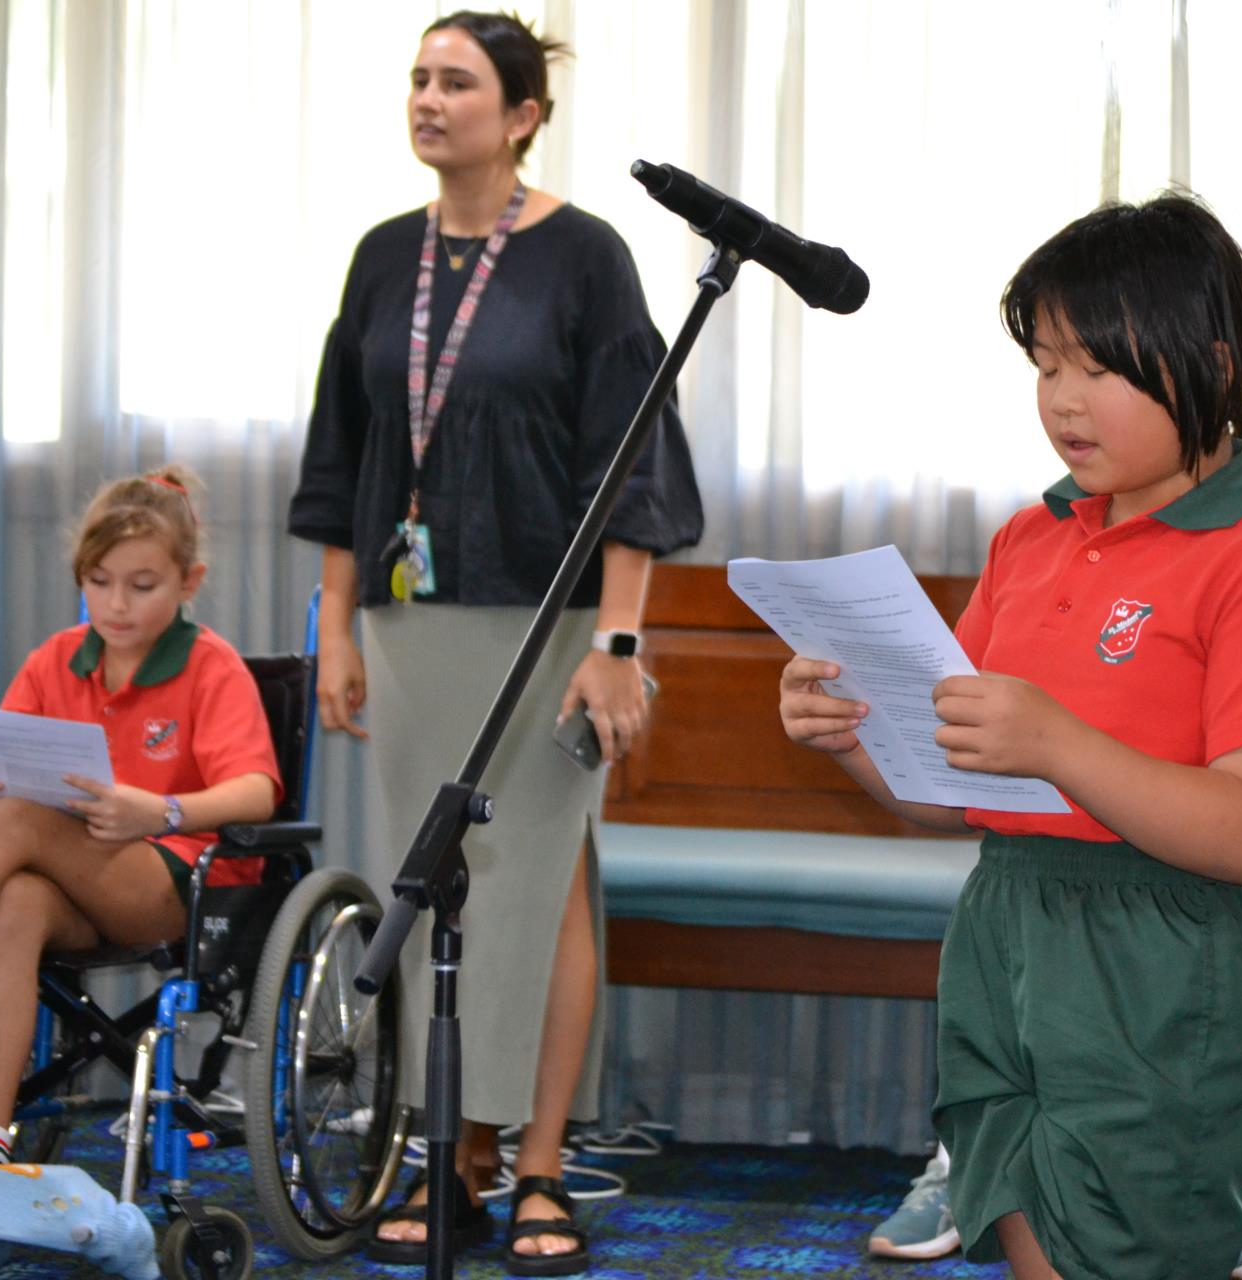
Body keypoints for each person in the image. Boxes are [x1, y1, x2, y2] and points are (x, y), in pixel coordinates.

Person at [780, 194, 1242, 1280]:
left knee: (1135, 1246)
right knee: (1035, 1235)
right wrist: (851, 733)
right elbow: (954, 782)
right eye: (1047, 366)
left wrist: (1059, 743)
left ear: (1210, 363)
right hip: (1010, 931)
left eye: (1099, 368)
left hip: (1168, 959)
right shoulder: (1029, 537)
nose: (1064, 403)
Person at [286, 10, 703, 1273]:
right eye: (417, 77)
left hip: (554, 623)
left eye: (456, 81)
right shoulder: (379, 258)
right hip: (414, 626)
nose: (428, 98)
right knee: (438, 882)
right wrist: (340, 629)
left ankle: (534, 1167)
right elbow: (340, 458)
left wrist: (619, 641)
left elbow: (633, 460)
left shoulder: (585, 258)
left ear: (521, 114)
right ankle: (449, 1157)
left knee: (538, 880)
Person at [0, 466, 280, 1167]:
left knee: (17, 822)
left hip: (179, 882)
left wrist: (161, 811)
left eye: (142, 587)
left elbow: (257, 792)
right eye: (99, 581)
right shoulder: (54, 660)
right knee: (17, 900)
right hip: (75, 880)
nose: (116, 605)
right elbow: (5, 764)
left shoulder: (212, 666)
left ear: (188, 582)